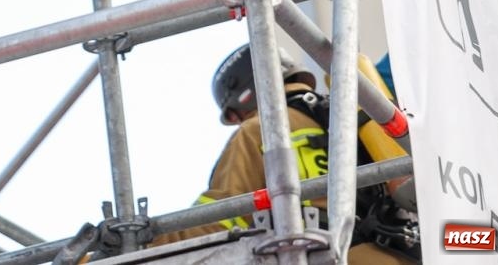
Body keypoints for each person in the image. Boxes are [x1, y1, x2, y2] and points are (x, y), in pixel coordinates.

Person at [151, 45, 419, 262]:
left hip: (331, 255)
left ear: (246, 95)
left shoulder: (262, 128)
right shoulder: (352, 114)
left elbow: (222, 214)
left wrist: (150, 241)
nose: (238, 121)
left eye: (234, 114)